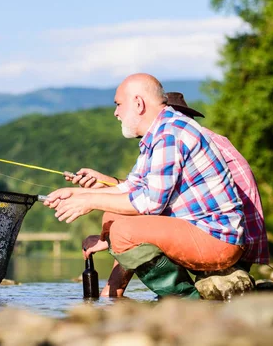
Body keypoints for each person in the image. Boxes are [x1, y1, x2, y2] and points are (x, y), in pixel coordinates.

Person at [44, 73, 245, 299]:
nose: (116, 112)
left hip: (216, 238)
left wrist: (89, 201)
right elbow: (131, 188)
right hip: (197, 231)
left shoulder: (170, 133)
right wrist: (79, 193)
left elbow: (150, 203)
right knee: (113, 217)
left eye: (119, 104)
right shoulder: (158, 133)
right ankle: (112, 295)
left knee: (122, 231)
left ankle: (185, 300)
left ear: (138, 104)